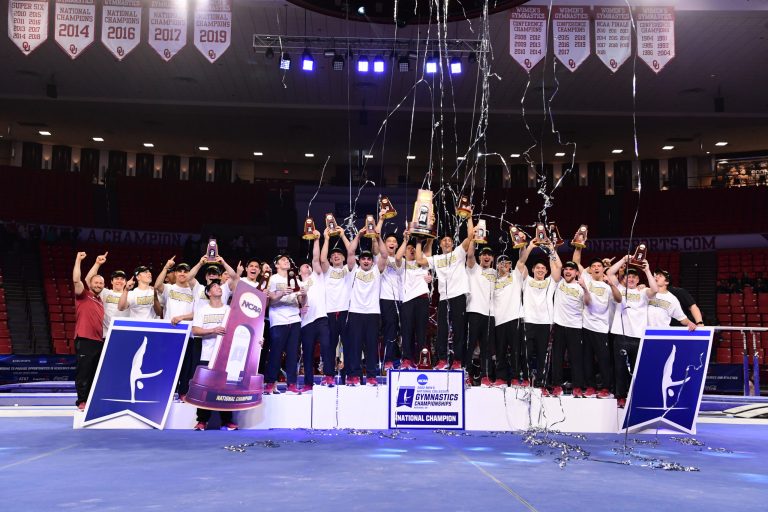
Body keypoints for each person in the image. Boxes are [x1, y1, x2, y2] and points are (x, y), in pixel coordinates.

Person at [416, 218, 475, 370]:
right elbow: (419, 260)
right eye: (444, 241)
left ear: (453, 244)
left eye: (449, 240)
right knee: (442, 329)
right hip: (444, 298)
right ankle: (442, 360)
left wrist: (468, 218)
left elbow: (470, 237)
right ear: (440, 244)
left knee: (458, 329)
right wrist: (418, 241)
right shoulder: (436, 259)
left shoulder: (458, 253)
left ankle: (457, 361)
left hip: (459, 295)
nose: (447, 242)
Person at [606, 256, 659, 407]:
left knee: (638, 369)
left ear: (637, 280)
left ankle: (636, 396)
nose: (631, 278)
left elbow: (655, 289)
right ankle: (620, 396)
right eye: (628, 276)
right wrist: (623, 260)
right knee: (620, 368)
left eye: (634, 277)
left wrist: (647, 270)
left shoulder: (643, 292)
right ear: (625, 278)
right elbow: (610, 273)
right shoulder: (620, 289)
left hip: (639, 336)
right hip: (621, 335)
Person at [345, 224, 389, 386]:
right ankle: (355, 376)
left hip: (372, 313)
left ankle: (371, 376)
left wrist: (377, 237)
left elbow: (384, 255)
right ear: (359, 260)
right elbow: (350, 251)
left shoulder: (377, 271)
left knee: (371, 346)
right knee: (355, 346)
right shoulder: (353, 270)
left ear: (371, 261)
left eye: (368, 258)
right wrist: (358, 235)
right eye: (363, 258)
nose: (365, 260)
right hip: (355, 312)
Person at [191, 281, 237, 431]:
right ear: (209, 293)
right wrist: (213, 330)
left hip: (225, 355)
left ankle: (227, 421)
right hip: (207, 354)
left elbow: (237, 328)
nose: (218, 288)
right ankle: (202, 421)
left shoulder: (229, 309)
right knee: (205, 389)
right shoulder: (202, 310)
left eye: (219, 287)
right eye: (215, 287)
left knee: (226, 389)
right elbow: (195, 330)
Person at [572, 250, 614, 399]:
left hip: (602, 328)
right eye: (593, 266)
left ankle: (605, 387)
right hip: (586, 326)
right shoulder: (586, 279)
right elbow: (576, 261)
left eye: (599, 265)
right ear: (590, 269)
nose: (596, 267)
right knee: (587, 359)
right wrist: (579, 246)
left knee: (603, 359)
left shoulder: (609, 285)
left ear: (603, 269)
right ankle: (590, 387)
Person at [518, 240, 559, 392]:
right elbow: (521, 264)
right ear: (533, 269)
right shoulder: (526, 280)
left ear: (546, 271)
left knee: (543, 355)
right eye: (538, 268)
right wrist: (530, 247)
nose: (541, 270)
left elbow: (558, 268)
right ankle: (528, 379)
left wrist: (551, 249)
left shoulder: (550, 282)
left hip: (545, 323)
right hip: (528, 321)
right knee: (526, 353)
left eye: (543, 268)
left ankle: (541, 382)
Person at [264, 253, 304, 395]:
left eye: (287, 260)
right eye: (283, 260)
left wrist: (304, 295)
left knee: (293, 353)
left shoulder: (295, 279)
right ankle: (270, 384)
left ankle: (291, 384)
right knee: (275, 352)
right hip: (278, 319)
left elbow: (301, 302)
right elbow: (270, 301)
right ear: (276, 265)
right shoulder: (272, 279)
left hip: (294, 318)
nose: (286, 261)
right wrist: (282, 293)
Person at [550, 259, 590, 397]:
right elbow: (556, 265)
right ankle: (556, 385)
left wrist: (585, 288)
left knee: (576, 359)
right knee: (557, 358)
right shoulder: (559, 282)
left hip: (575, 327)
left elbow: (588, 302)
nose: (567, 271)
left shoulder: (581, 287)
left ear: (576, 272)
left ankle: (577, 387)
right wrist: (552, 249)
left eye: (571, 269)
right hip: (559, 325)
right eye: (566, 269)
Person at [72, 252, 105, 410]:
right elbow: (77, 280)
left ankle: (91, 400)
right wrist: (78, 260)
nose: (98, 285)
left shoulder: (100, 300)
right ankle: (82, 401)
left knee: (94, 373)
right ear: (90, 284)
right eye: (96, 282)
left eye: (101, 283)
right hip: (84, 339)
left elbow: (90, 279)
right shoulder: (83, 295)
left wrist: (98, 264)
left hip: (99, 341)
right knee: (84, 372)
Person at [298, 231, 330, 392]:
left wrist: (317, 239)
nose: (308, 266)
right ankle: (308, 383)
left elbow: (316, 258)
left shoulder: (317, 276)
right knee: (308, 354)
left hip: (321, 317)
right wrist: (300, 302)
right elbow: (295, 302)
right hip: (306, 322)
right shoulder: (297, 282)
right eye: (304, 265)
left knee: (326, 347)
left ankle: (329, 376)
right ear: (299, 271)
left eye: (308, 264)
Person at [320, 226, 352, 383]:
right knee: (329, 346)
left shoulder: (348, 269)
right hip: (330, 312)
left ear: (344, 258)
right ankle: (329, 376)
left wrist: (343, 235)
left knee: (348, 345)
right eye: (334, 255)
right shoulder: (327, 271)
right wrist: (326, 238)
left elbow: (351, 252)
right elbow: (322, 259)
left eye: (339, 254)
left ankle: (348, 376)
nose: (336, 256)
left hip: (346, 311)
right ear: (331, 259)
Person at [395, 234, 432, 370]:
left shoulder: (423, 262)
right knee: (407, 331)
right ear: (404, 251)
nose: (411, 250)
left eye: (413, 248)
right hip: (407, 300)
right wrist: (405, 240)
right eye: (408, 248)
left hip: (422, 298)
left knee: (421, 332)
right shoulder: (402, 264)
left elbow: (428, 249)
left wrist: (422, 241)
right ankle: (407, 359)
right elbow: (397, 257)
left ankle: (422, 360)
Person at [373, 214, 404, 370]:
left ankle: (394, 360)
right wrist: (381, 219)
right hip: (384, 298)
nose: (391, 243)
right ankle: (384, 360)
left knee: (397, 332)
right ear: (383, 244)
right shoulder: (379, 256)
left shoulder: (401, 260)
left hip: (400, 299)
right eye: (388, 241)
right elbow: (374, 237)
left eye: (394, 241)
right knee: (386, 331)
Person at [466, 245, 497, 387]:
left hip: (490, 314)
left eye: (489, 254)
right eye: (484, 254)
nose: (486, 256)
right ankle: (467, 374)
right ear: (479, 257)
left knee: (487, 348)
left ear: (492, 258)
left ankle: (485, 376)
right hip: (474, 311)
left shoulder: (496, 273)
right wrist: (474, 238)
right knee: (470, 345)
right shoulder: (473, 268)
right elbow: (470, 254)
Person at [493, 253, 524, 387]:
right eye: (501, 262)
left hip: (514, 317)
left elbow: (522, 260)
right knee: (500, 351)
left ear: (510, 265)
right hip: (499, 320)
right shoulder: (492, 281)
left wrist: (523, 246)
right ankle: (501, 378)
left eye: (507, 262)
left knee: (516, 350)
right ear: (497, 265)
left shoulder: (516, 276)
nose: (504, 264)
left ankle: (516, 377)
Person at [83, 251, 128, 339]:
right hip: (106, 334)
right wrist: (97, 264)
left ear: (125, 282)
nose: (119, 281)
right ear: (111, 281)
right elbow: (89, 280)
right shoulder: (105, 292)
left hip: (124, 333)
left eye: (122, 279)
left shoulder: (130, 295)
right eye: (116, 278)